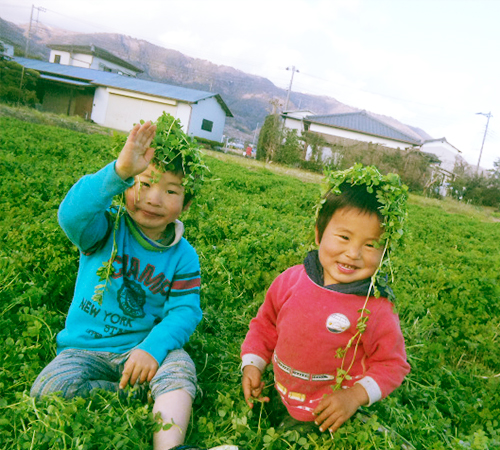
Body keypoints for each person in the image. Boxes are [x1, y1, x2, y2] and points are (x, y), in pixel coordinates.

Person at [30, 115, 230, 450]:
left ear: (186, 203)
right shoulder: (104, 229)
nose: (154, 199)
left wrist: (152, 349)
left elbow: (184, 311)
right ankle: (140, 394)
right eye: (144, 183)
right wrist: (119, 171)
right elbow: (71, 215)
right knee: (49, 386)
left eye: (171, 191)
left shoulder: (183, 256)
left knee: (179, 366)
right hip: (84, 348)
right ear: (127, 187)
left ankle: (170, 446)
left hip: (142, 349)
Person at [241, 166, 411, 435]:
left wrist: (354, 396)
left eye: (370, 245)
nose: (353, 253)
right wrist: (252, 364)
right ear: (319, 233)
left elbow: (393, 363)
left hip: (330, 416)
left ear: (385, 253)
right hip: (277, 393)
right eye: (344, 237)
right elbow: (265, 325)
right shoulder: (290, 281)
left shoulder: (375, 307)